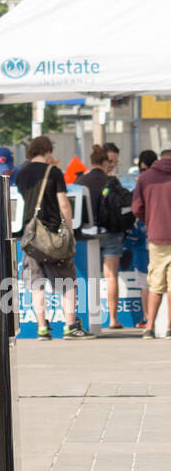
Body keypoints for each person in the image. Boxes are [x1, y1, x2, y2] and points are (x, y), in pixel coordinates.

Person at [16, 135, 94, 340]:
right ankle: (70, 326)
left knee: (36, 283)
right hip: (53, 234)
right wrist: (69, 232)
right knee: (66, 282)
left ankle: (42, 328)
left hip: (31, 237)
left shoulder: (21, 174)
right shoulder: (54, 172)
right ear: (47, 151)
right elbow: (64, 205)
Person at [78, 144, 127, 329]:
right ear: (105, 162)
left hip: (88, 235)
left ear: (91, 162)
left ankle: (92, 318)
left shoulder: (82, 181)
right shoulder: (112, 181)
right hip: (112, 233)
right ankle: (114, 319)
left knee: (88, 277)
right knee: (111, 276)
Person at [131, 148, 171, 339]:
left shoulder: (146, 178)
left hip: (156, 236)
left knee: (155, 282)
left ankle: (150, 326)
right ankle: (170, 327)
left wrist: (150, 220)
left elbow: (136, 207)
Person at [124, 150, 157, 328]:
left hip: (145, 240)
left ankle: (148, 319)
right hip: (159, 237)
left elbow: (135, 209)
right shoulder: (163, 181)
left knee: (146, 283)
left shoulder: (141, 184)